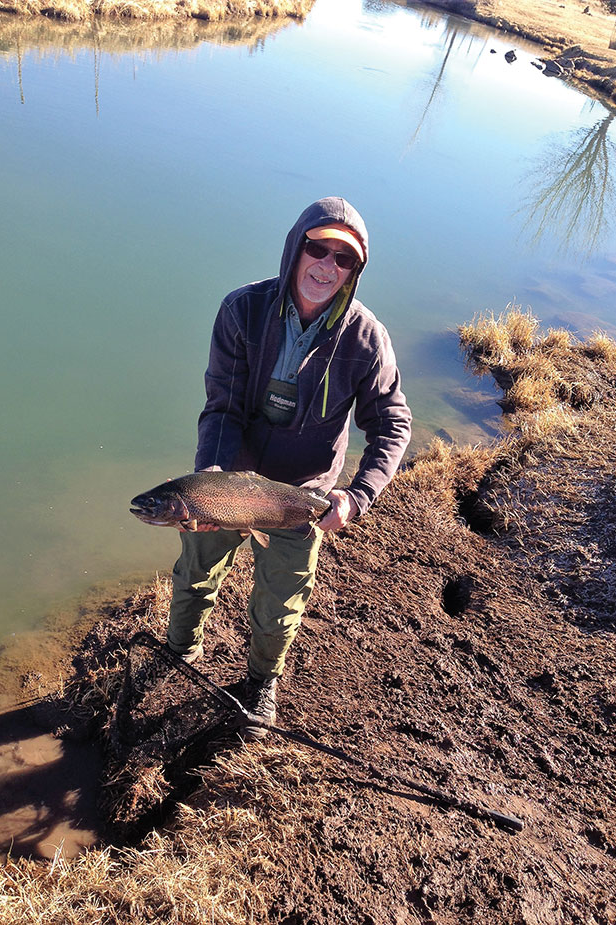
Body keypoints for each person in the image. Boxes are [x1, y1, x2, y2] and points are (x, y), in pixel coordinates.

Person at [166, 197, 412, 736]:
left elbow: (393, 426)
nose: (327, 266)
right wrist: (210, 475)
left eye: (343, 259)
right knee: (194, 573)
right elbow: (222, 407)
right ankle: (179, 651)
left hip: (302, 496)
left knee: (281, 603)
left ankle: (260, 684)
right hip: (227, 480)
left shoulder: (367, 339)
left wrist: (357, 495)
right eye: (317, 248)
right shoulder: (242, 311)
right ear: (295, 248)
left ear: (355, 270)